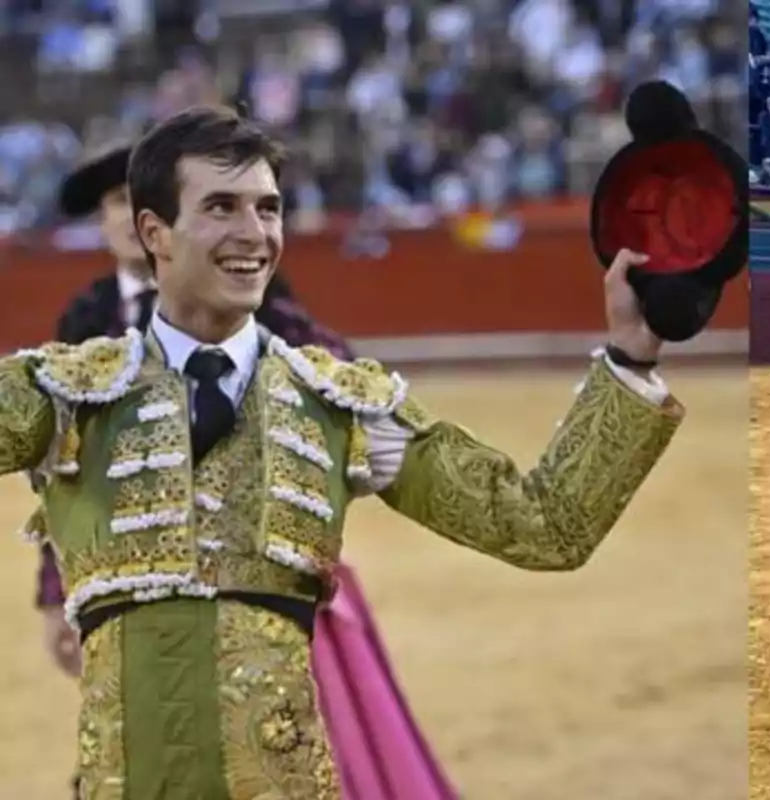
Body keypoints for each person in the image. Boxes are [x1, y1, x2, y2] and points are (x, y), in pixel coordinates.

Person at [4, 105, 681, 797]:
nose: (254, 233)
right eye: (221, 207)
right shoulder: (67, 391)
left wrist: (630, 358)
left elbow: (544, 525)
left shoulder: (338, 401)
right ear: (156, 233)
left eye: (269, 209)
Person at [33, 135, 457, 798]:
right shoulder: (86, 321)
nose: (125, 214)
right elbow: (60, 473)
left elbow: (345, 393)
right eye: (115, 202)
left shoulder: (263, 306)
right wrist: (57, 595)